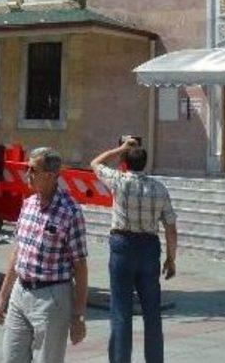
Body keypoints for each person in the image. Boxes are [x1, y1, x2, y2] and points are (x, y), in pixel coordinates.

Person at [0, 146, 88, 362]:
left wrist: (78, 315)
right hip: (20, 292)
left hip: (51, 298)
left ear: (52, 175)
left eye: (33, 170)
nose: (28, 174)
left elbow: (80, 265)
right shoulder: (28, 205)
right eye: (27, 168)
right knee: (12, 358)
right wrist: (2, 296)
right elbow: (18, 252)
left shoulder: (70, 211)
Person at [90, 138, 177, 363]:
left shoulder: (119, 181)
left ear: (125, 162)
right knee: (152, 313)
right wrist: (171, 258)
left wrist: (120, 148)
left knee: (121, 312)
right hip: (149, 248)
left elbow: (95, 163)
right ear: (145, 163)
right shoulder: (159, 188)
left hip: (123, 246)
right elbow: (170, 226)